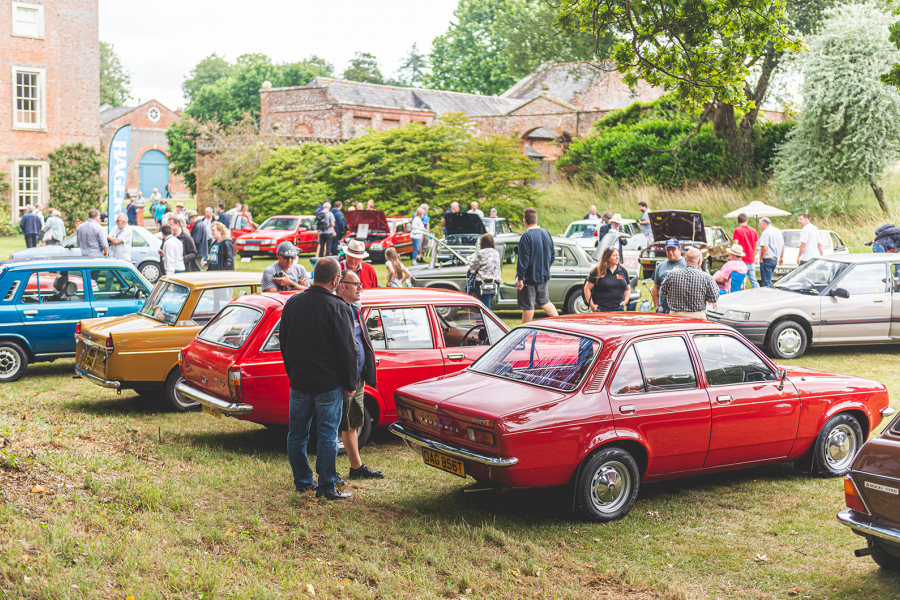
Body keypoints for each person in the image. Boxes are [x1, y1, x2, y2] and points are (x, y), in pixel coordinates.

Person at [281, 257, 356, 500]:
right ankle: (326, 487)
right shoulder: (338, 307)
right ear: (335, 280)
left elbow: (284, 341)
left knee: (297, 434)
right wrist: (351, 382)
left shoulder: (293, 302)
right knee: (327, 436)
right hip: (328, 383)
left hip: (300, 380)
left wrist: (292, 371)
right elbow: (347, 349)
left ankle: (303, 481)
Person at [335, 268, 385, 481]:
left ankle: (356, 467)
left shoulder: (355, 309)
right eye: (356, 284)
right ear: (342, 286)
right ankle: (330, 474)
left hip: (357, 377)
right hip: (344, 378)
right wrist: (347, 378)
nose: (360, 288)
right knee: (338, 424)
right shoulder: (336, 310)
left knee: (353, 422)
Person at [516, 207, 558, 324]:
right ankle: (559, 321)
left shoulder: (526, 237)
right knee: (544, 301)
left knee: (528, 306)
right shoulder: (546, 233)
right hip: (543, 277)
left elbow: (523, 260)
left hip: (529, 278)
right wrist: (545, 268)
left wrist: (520, 278)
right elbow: (552, 255)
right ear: (536, 219)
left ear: (525, 221)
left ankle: (524, 331)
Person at [660, 248, 719, 319]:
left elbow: (663, 291)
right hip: (697, 318)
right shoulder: (706, 277)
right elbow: (714, 298)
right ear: (699, 261)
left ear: (685, 259)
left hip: (675, 317)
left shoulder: (672, 274)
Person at [584, 247, 630, 312]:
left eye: (618, 255)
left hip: (619, 308)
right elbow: (587, 289)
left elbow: (628, 289)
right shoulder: (597, 271)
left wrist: (625, 301)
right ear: (607, 258)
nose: (617, 257)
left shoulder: (623, 271)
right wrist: (592, 305)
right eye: (614, 255)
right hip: (602, 309)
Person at [651, 239, 686, 311]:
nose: (670, 252)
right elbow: (655, 288)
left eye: (673, 249)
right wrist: (657, 307)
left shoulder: (688, 264)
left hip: (683, 310)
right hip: (665, 309)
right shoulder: (660, 266)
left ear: (680, 249)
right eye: (668, 250)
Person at [468, 233, 501, 307]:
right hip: (495, 283)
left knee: (484, 307)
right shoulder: (496, 253)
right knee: (486, 304)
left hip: (482, 284)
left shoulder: (480, 253)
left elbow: (472, 267)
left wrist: (472, 272)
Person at [732, 213, 759, 289]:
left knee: (739, 281)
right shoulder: (754, 231)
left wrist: (733, 255)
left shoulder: (737, 230)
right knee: (753, 280)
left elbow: (735, 244)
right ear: (747, 220)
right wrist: (753, 255)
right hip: (750, 259)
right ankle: (758, 292)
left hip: (740, 259)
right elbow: (756, 245)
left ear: (738, 221)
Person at [758, 217, 784, 287]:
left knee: (766, 282)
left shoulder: (766, 232)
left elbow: (764, 247)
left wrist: (761, 258)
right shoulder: (778, 231)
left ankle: (768, 293)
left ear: (764, 224)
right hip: (774, 260)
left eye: (760, 225)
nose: (760, 227)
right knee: (768, 279)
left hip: (767, 260)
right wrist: (781, 257)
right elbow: (783, 245)